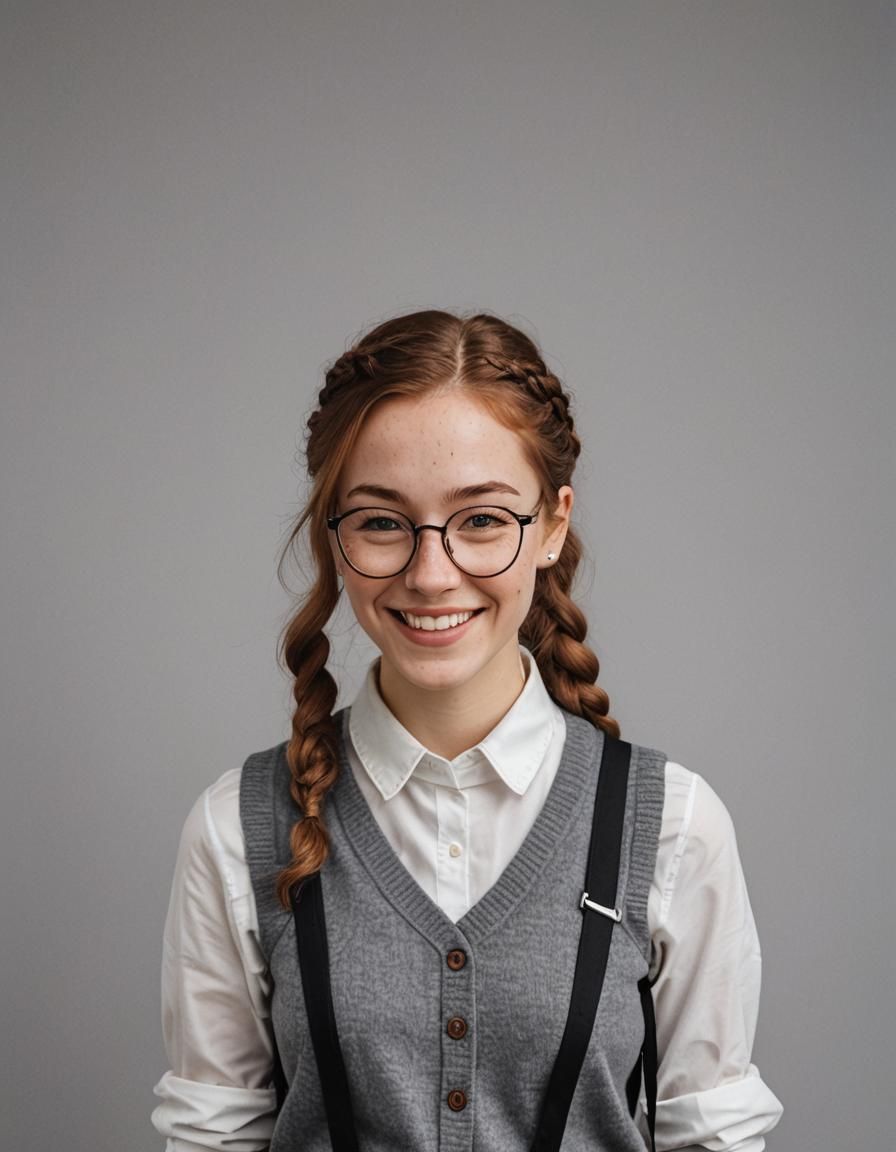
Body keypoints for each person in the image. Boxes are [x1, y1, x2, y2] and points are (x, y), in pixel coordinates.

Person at [152, 309, 783, 1151]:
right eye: (381, 521)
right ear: (333, 535)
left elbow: (713, 1134)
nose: (431, 574)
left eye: (482, 519)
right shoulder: (236, 830)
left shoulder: (675, 827)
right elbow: (212, 1138)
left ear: (552, 525)